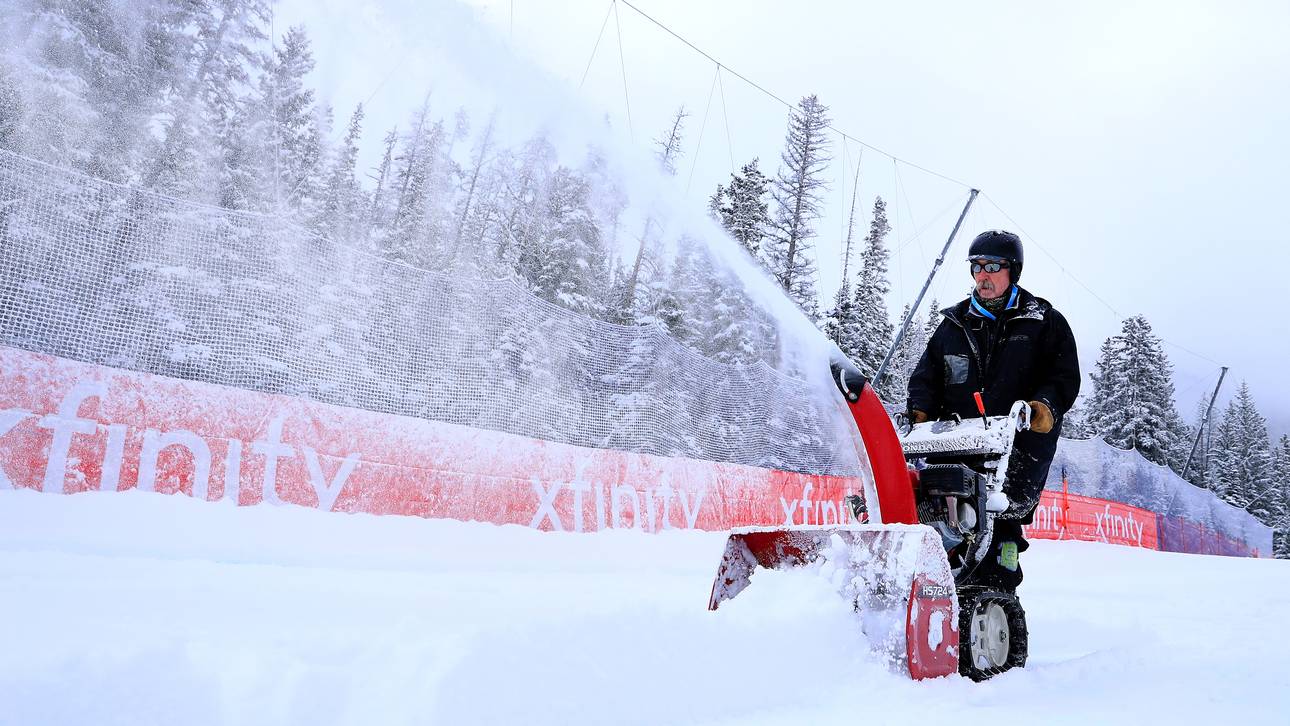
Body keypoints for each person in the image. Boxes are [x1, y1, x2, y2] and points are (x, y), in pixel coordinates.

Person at [906, 230, 1080, 592]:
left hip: (1015, 449)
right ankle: (941, 597)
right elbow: (927, 377)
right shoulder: (953, 327)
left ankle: (998, 601)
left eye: (993, 267)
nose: (982, 275)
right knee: (949, 521)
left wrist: (1043, 407)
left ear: (1012, 271)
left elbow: (1063, 376)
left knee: (1000, 527)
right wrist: (920, 412)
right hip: (956, 445)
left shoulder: (1042, 322)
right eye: (976, 267)